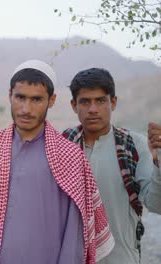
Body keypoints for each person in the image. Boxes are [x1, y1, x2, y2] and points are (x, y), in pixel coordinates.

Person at [0, 60, 114, 264]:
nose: (26, 109)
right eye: (20, 97)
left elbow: (75, 235)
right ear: (10, 96)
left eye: (36, 99)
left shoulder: (69, 156)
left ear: (51, 100)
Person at [62, 68, 161, 264]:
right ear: (74, 105)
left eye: (100, 101)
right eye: (85, 101)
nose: (93, 109)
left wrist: (158, 162)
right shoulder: (62, 146)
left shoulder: (134, 145)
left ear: (113, 102)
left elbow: (155, 204)